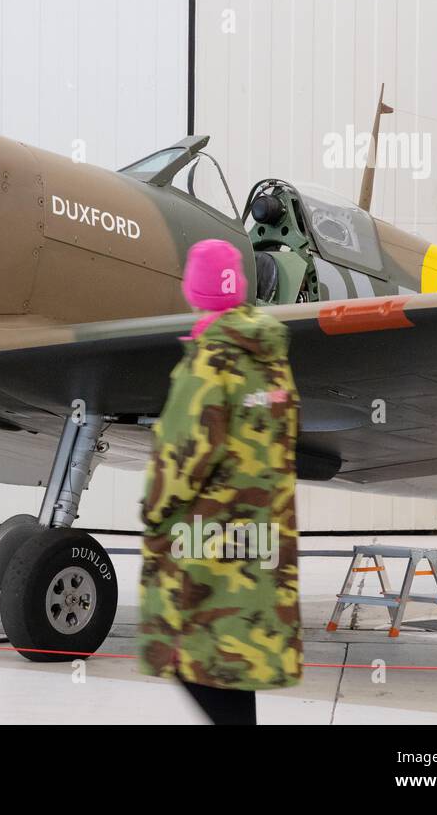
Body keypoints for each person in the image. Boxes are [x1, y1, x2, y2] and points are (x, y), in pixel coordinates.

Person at [139, 238, 302, 725]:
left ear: (195, 291)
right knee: (232, 661)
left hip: (205, 545)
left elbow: (183, 454)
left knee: (190, 652)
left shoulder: (210, 360)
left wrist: (153, 512)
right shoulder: (270, 360)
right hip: (259, 537)